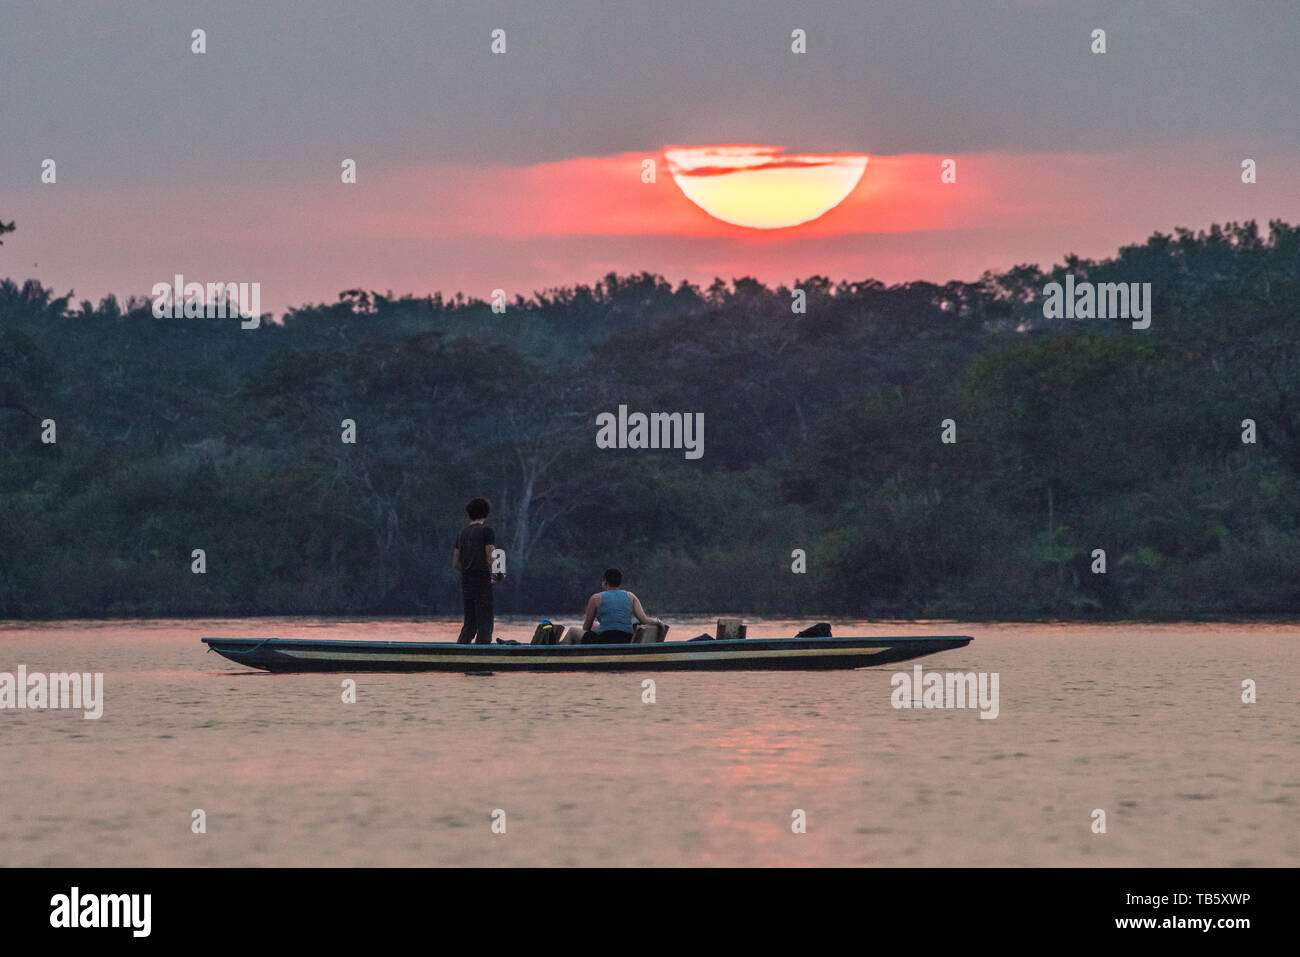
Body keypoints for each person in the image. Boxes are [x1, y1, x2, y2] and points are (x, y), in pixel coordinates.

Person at [451, 497, 500, 644]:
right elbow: (491, 557)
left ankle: (460, 654)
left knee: (469, 623)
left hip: (467, 582)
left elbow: (455, 563)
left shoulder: (462, 534)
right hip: (482, 581)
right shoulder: (486, 531)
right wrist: (496, 574)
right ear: (486, 513)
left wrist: (468, 571)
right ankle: (483, 656)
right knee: (485, 623)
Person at [579, 568, 667, 644]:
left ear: (605, 582)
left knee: (572, 631)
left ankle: (568, 658)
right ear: (619, 582)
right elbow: (644, 619)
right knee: (595, 625)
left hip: (605, 640)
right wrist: (659, 622)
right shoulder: (631, 596)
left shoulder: (596, 598)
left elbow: (586, 628)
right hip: (626, 639)